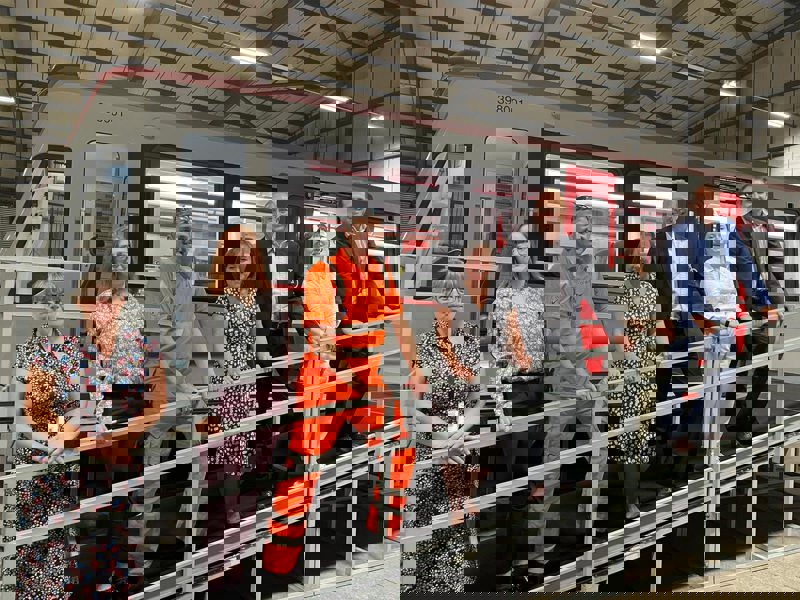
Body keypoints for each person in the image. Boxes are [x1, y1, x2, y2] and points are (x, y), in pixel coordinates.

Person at [262, 208, 421, 579]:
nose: (378, 238)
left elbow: (398, 318)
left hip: (367, 376)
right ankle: (280, 558)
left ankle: (387, 525)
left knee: (402, 441)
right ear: (350, 232)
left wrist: (413, 367)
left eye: (381, 231)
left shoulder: (381, 275)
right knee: (303, 465)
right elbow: (321, 334)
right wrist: (337, 344)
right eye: (371, 230)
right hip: (327, 378)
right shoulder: (322, 275)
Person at [7, 269, 168, 597]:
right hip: (71, 472)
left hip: (119, 464)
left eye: (117, 299)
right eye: (102, 301)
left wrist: (122, 433)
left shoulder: (139, 350)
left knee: (113, 540)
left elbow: (155, 405)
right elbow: (34, 411)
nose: (110, 308)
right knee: (68, 554)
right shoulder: (62, 350)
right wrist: (72, 437)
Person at [648, 183, 776, 490]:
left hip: (722, 323)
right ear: (692, 202)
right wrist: (699, 316)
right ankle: (671, 452)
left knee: (717, 389)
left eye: (715, 200)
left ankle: (698, 451)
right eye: (706, 200)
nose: (712, 206)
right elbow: (679, 280)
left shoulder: (724, 230)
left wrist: (763, 302)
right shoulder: (674, 234)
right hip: (689, 324)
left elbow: (745, 266)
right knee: (683, 388)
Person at [400, 257, 481, 593]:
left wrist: (466, 428)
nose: (450, 304)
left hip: (462, 448)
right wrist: (433, 432)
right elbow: (412, 402)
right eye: (443, 297)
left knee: (458, 527)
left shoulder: (471, 345)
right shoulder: (422, 347)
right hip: (432, 448)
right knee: (428, 524)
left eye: (456, 296)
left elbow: (480, 400)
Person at [196, 225, 272, 528]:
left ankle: (230, 504)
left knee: (235, 447)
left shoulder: (252, 295)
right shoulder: (213, 295)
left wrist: (270, 364)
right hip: (218, 382)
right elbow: (204, 343)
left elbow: (258, 337)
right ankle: (200, 507)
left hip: (244, 382)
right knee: (209, 446)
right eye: (233, 260)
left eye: (244, 259)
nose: (239, 265)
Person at [607, 227, 661, 524]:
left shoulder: (649, 283)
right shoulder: (620, 282)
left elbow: (654, 325)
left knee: (641, 430)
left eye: (647, 244)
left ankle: (633, 493)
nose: (645, 249)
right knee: (626, 431)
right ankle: (627, 499)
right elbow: (614, 322)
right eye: (640, 244)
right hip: (626, 363)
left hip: (646, 362)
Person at [733, 188, 785, 446]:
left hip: (766, 313)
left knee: (760, 370)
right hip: (745, 312)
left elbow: (776, 270)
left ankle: (744, 419)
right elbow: (744, 276)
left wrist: (779, 302)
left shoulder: (770, 229)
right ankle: (739, 422)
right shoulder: (735, 230)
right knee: (743, 370)